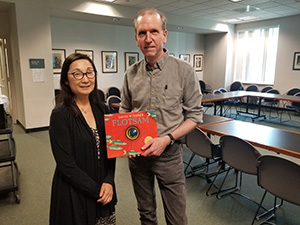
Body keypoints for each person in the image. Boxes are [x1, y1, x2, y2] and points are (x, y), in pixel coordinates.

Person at [120, 8, 203, 225]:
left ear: (164, 35)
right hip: (138, 158)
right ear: (136, 39)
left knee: (176, 218)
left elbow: (194, 116)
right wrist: (127, 144)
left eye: (154, 32)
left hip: (169, 155)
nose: (148, 39)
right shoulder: (130, 74)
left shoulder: (184, 71)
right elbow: (124, 110)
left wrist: (167, 139)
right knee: (146, 215)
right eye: (142, 33)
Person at [49, 53, 117, 225]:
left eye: (89, 72)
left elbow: (112, 150)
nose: (85, 79)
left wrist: (109, 181)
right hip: (74, 193)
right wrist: (98, 190)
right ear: (66, 80)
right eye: (77, 74)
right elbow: (66, 165)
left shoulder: (103, 109)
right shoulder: (60, 115)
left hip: (104, 189)